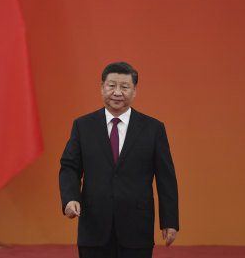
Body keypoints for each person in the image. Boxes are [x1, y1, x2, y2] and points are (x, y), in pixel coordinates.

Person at [59, 62, 179, 258]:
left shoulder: (153, 129)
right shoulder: (83, 126)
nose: (117, 92)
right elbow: (70, 167)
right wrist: (70, 198)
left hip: (137, 227)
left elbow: (166, 178)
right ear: (102, 87)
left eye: (124, 87)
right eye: (111, 85)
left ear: (134, 91)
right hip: (94, 226)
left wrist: (170, 221)